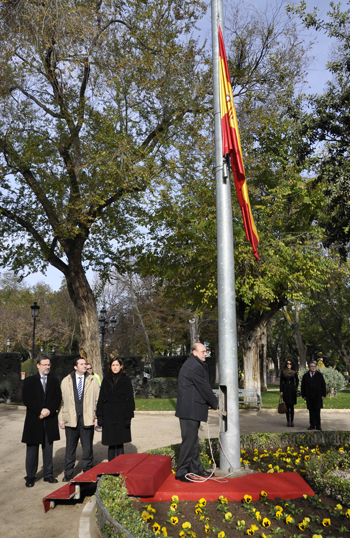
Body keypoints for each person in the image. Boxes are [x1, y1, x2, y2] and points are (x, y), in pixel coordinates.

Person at [175, 342, 218, 482]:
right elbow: (204, 387)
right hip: (190, 410)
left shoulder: (193, 364)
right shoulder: (194, 366)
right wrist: (214, 403)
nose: (205, 354)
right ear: (194, 352)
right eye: (203, 351)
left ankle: (196, 469)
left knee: (193, 441)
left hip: (191, 409)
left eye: (206, 351)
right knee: (189, 441)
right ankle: (181, 471)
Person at [21, 356, 62, 487]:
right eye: (44, 364)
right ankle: (30, 476)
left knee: (48, 449)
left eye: (48, 364)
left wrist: (48, 410)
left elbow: (57, 398)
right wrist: (40, 410)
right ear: (38, 365)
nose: (47, 367)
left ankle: (48, 474)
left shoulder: (54, 381)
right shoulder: (29, 381)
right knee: (32, 450)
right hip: (34, 419)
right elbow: (27, 399)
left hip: (49, 420)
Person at [59, 357, 100, 481]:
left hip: (88, 419)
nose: (85, 366)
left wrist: (97, 417)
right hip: (70, 420)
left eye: (85, 364)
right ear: (75, 367)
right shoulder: (65, 381)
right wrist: (61, 418)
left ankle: (88, 472)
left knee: (87, 448)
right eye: (82, 364)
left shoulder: (93, 380)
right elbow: (61, 402)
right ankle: (68, 473)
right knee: (70, 448)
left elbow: (98, 400)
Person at [96, 357, 135, 461]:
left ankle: (120, 465)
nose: (115, 367)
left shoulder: (126, 380)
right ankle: (111, 466)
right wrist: (99, 415)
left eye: (117, 365)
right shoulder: (106, 379)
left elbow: (130, 399)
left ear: (121, 366)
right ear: (110, 366)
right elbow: (101, 398)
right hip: (108, 414)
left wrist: (129, 417)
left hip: (121, 415)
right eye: (113, 365)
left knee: (119, 443)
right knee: (111, 443)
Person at [301, 361, 326, 431]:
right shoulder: (305, 376)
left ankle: (318, 425)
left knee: (317, 411)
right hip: (309, 396)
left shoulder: (319, 375)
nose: (313, 368)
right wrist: (304, 395)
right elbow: (303, 386)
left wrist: (323, 394)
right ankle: (312, 425)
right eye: (312, 366)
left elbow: (323, 385)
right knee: (311, 411)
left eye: (314, 366)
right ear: (309, 367)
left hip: (317, 396)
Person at [280, 360, 299, 427]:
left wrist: (295, 387)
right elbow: (281, 382)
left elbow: (297, 380)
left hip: (292, 391)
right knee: (287, 407)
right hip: (285, 390)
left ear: (292, 365)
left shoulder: (294, 372)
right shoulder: (283, 372)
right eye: (287, 363)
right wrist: (281, 391)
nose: (289, 365)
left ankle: (292, 421)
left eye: (290, 364)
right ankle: (288, 421)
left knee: (292, 406)